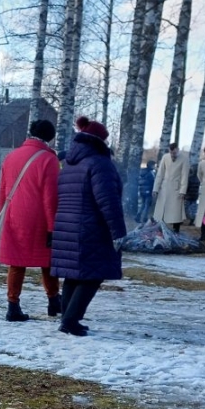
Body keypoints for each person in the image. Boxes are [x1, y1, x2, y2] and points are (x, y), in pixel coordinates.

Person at [52, 116, 125, 337]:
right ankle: (70, 320)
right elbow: (108, 201)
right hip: (91, 227)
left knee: (74, 275)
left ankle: (67, 317)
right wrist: (118, 231)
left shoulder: (69, 164)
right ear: (99, 141)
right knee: (93, 274)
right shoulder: (100, 164)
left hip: (66, 224)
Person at [0, 118, 61, 322]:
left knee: (16, 263)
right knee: (48, 261)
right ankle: (54, 301)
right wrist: (52, 227)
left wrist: (2, 215)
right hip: (39, 219)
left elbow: (3, 191)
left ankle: (13, 306)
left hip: (13, 216)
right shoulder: (49, 159)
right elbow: (50, 197)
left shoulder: (11, 156)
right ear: (50, 137)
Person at [151, 142, 189, 232]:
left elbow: (184, 176)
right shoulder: (165, 157)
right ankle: (160, 230)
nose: (172, 154)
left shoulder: (184, 159)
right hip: (164, 188)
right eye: (171, 152)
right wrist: (155, 189)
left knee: (176, 212)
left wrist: (182, 191)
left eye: (174, 152)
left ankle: (176, 231)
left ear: (178, 150)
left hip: (176, 189)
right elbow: (160, 174)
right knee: (161, 211)